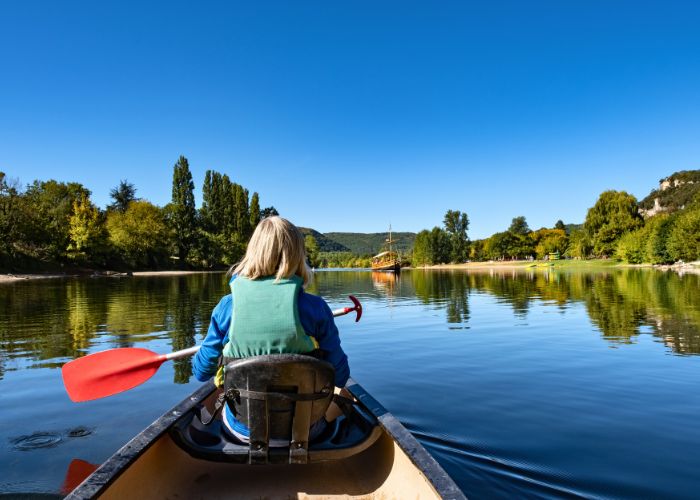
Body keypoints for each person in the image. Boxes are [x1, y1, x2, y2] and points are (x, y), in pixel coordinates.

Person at [192, 216, 350, 443]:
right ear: (297, 255)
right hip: (306, 430)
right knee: (347, 395)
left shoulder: (226, 306)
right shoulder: (316, 308)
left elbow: (200, 372)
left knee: (214, 391)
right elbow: (342, 377)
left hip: (242, 431)